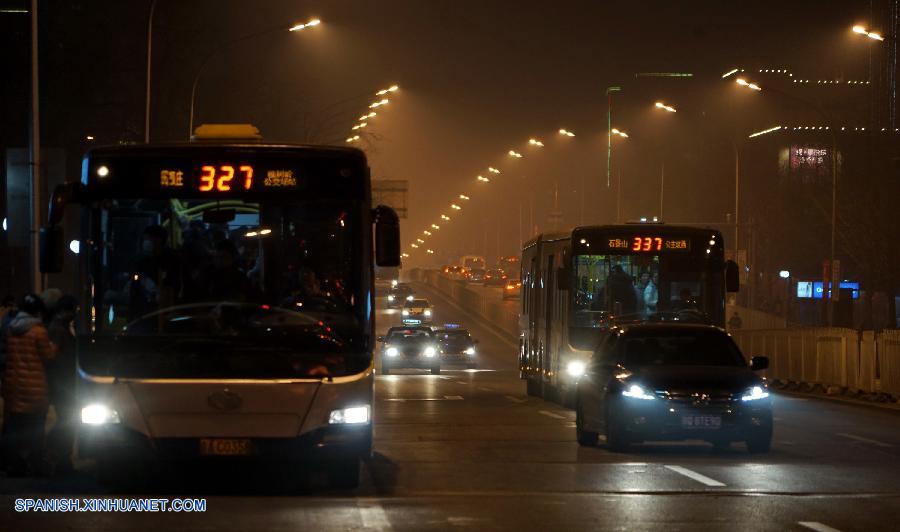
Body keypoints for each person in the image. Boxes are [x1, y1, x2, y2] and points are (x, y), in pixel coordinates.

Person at [1, 294, 57, 476]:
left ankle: (14, 464)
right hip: (35, 386)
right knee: (36, 427)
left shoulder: (10, 328)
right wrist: (54, 346)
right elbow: (48, 356)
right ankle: (36, 464)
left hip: (14, 385)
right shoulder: (39, 331)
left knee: (16, 427)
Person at [43, 294, 78, 475]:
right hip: (62, 383)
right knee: (67, 421)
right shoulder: (58, 329)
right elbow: (54, 355)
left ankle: (60, 457)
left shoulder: (60, 327)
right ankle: (60, 457)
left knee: (67, 421)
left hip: (64, 383)